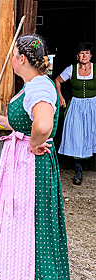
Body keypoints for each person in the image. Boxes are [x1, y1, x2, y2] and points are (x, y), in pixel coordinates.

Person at [0, 34, 71, 280]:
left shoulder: (40, 87)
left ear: (21, 59)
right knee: (23, 224)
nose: (11, 60)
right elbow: (25, 122)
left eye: (12, 55)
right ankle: (23, 278)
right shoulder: (33, 85)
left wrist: (34, 143)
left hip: (32, 169)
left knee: (34, 226)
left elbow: (43, 124)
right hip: (23, 167)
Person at [55, 42, 96, 185]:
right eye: (81, 53)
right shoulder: (71, 69)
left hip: (93, 105)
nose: (84, 56)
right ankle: (78, 170)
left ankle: (88, 161)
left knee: (90, 133)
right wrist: (60, 96)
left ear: (91, 55)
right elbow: (58, 80)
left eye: (87, 53)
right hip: (76, 105)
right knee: (77, 134)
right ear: (77, 56)